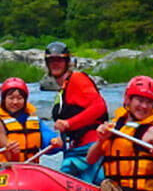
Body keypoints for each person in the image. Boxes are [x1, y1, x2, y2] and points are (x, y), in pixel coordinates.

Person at [86, 76, 153, 191]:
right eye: (140, 100)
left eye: (149, 102)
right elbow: (90, 159)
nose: (144, 106)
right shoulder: (114, 126)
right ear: (128, 99)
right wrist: (101, 141)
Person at [45, 41, 108, 182]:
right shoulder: (62, 91)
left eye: (60, 60)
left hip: (90, 148)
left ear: (67, 62)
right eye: (51, 61)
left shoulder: (77, 79)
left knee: (65, 182)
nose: (55, 64)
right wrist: (61, 139)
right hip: (73, 149)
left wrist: (68, 123)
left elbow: (99, 106)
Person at [0, 77, 58, 162]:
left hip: (30, 169)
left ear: (25, 100)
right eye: (11, 98)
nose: (15, 102)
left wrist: (54, 142)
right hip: (4, 170)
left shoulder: (34, 121)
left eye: (19, 98)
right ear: (4, 100)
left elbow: (48, 140)